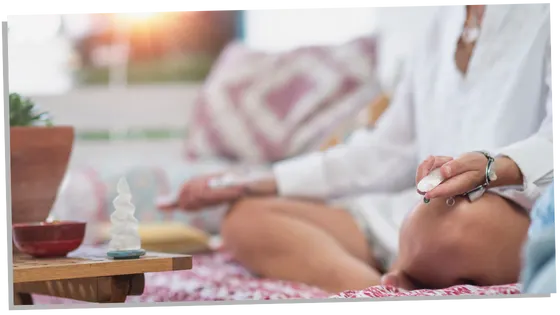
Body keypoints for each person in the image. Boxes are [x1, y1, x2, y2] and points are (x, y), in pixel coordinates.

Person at [159, 1, 559, 293]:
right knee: (245, 218)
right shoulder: (443, 21)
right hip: (415, 216)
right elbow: (385, 150)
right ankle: (376, 291)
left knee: (445, 226)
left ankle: (408, 265)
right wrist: (257, 182)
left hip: (503, 216)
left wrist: (492, 168)